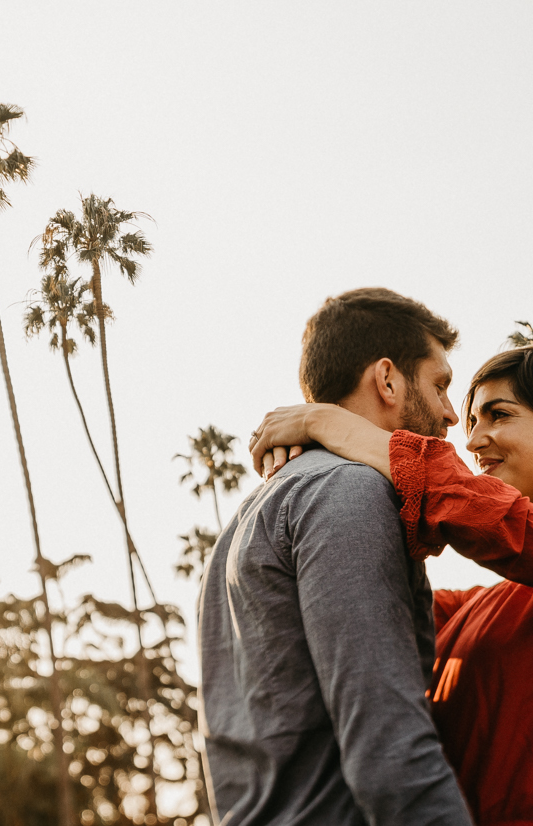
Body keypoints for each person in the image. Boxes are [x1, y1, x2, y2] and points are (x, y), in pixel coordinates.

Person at [247, 340, 533, 826]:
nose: (474, 441)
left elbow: (489, 518)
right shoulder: (461, 611)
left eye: (499, 416)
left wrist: (323, 421)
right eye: (474, 422)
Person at [195, 288, 475, 826]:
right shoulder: (349, 494)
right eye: (440, 385)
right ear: (387, 379)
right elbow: (390, 755)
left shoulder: (246, 519)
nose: (450, 414)